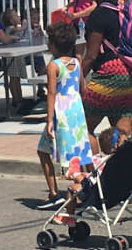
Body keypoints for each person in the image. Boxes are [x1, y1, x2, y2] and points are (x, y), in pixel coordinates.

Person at [80, 0, 132, 140]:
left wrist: (75, 80)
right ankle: (124, 166)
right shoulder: (122, 9)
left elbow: (91, 56)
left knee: (84, 130)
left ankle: (92, 167)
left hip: (109, 77)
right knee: (122, 135)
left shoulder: (98, 15)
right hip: (131, 76)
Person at [33, 21, 84, 210]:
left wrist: (49, 120)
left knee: (44, 151)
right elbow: (82, 87)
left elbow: (52, 93)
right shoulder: (76, 62)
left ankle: (54, 193)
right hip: (76, 110)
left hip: (60, 112)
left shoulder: (53, 66)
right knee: (75, 152)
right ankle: (81, 189)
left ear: (52, 45)